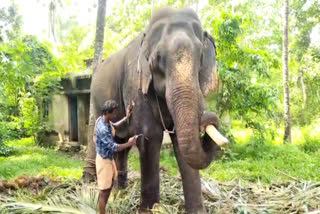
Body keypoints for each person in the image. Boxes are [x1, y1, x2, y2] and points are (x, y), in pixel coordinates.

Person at [94, 100, 138, 214]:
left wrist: (126, 117)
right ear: (107, 113)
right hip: (104, 161)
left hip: (109, 158)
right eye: (113, 113)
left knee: (109, 185)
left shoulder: (104, 120)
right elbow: (114, 147)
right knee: (104, 191)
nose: (114, 115)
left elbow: (114, 125)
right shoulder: (102, 129)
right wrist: (129, 143)